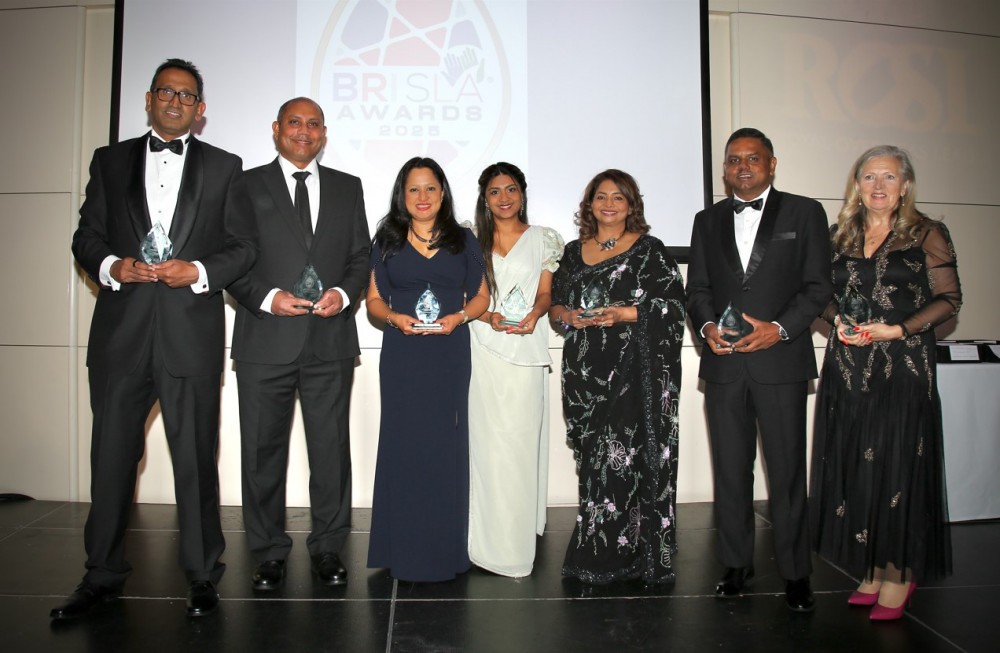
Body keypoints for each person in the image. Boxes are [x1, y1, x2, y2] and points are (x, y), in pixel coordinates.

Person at [57, 58, 256, 619]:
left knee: (195, 458)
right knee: (112, 458)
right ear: (147, 99)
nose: (175, 101)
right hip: (121, 336)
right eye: (166, 92)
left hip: (190, 335)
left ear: (201, 110)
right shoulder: (110, 159)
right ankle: (101, 574)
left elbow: (242, 247)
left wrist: (197, 271)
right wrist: (114, 265)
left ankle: (201, 571)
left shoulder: (226, 167)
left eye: (187, 95)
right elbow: (86, 235)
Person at [810, 146, 961, 620]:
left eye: (889, 178)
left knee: (898, 465)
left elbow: (950, 299)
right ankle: (873, 566)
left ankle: (899, 574)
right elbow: (818, 295)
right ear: (857, 184)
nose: (878, 186)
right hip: (849, 368)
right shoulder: (838, 235)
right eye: (869, 177)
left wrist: (900, 328)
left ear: (905, 185)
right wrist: (835, 321)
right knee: (860, 466)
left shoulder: (926, 233)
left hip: (904, 364)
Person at [686, 127, 832, 612]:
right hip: (725, 365)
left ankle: (796, 573)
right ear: (724, 169)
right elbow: (698, 289)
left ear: (772, 164)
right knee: (731, 471)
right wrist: (706, 326)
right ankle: (735, 564)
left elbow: (816, 287)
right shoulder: (705, 221)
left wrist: (781, 329)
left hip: (780, 363)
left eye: (753, 159)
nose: (742, 167)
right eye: (733, 160)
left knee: (788, 472)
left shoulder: (805, 212)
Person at [228, 98, 370, 591]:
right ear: (276, 129)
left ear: (324, 133)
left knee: (330, 451)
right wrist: (267, 298)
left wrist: (343, 293)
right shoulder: (244, 185)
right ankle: (268, 551)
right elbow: (231, 260)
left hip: (329, 340)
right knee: (262, 453)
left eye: (313, 124)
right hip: (264, 339)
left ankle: (328, 547)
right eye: (295, 122)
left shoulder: (348, 188)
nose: (303, 131)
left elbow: (360, 257)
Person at [549, 169, 685, 585]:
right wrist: (567, 316)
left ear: (632, 205)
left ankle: (627, 555)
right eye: (601, 196)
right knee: (593, 465)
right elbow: (555, 307)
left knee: (623, 462)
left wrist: (626, 313)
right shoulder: (572, 253)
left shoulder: (650, 251)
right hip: (584, 376)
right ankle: (598, 542)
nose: (609, 203)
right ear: (589, 204)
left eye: (619, 197)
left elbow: (675, 307)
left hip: (633, 376)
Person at [365, 157, 489, 582]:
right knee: (403, 445)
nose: (422, 197)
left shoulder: (465, 240)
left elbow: (481, 297)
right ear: (403, 194)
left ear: (443, 193)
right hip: (402, 353)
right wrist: (394, 319)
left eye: (430, 188)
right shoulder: (385, 240)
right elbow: (375, 301)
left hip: (449, 352)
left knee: (444, 446)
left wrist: (459, 317)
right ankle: (401, 548)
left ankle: (445, 550)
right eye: (414, 189)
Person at [467, 162, 564, 577]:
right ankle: (481, 540)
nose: (504, 197)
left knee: (519, 448)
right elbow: (471, 295)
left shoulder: (545, 240)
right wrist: (487, 316)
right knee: (484, 450)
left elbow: (545, 293)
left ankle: (514, 541)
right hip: (480, 348)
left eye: (511, 189)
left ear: (522, 193)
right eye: (494, 191)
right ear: (484, 198)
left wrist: (535, 314)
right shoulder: (470, 240)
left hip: (526, 347)